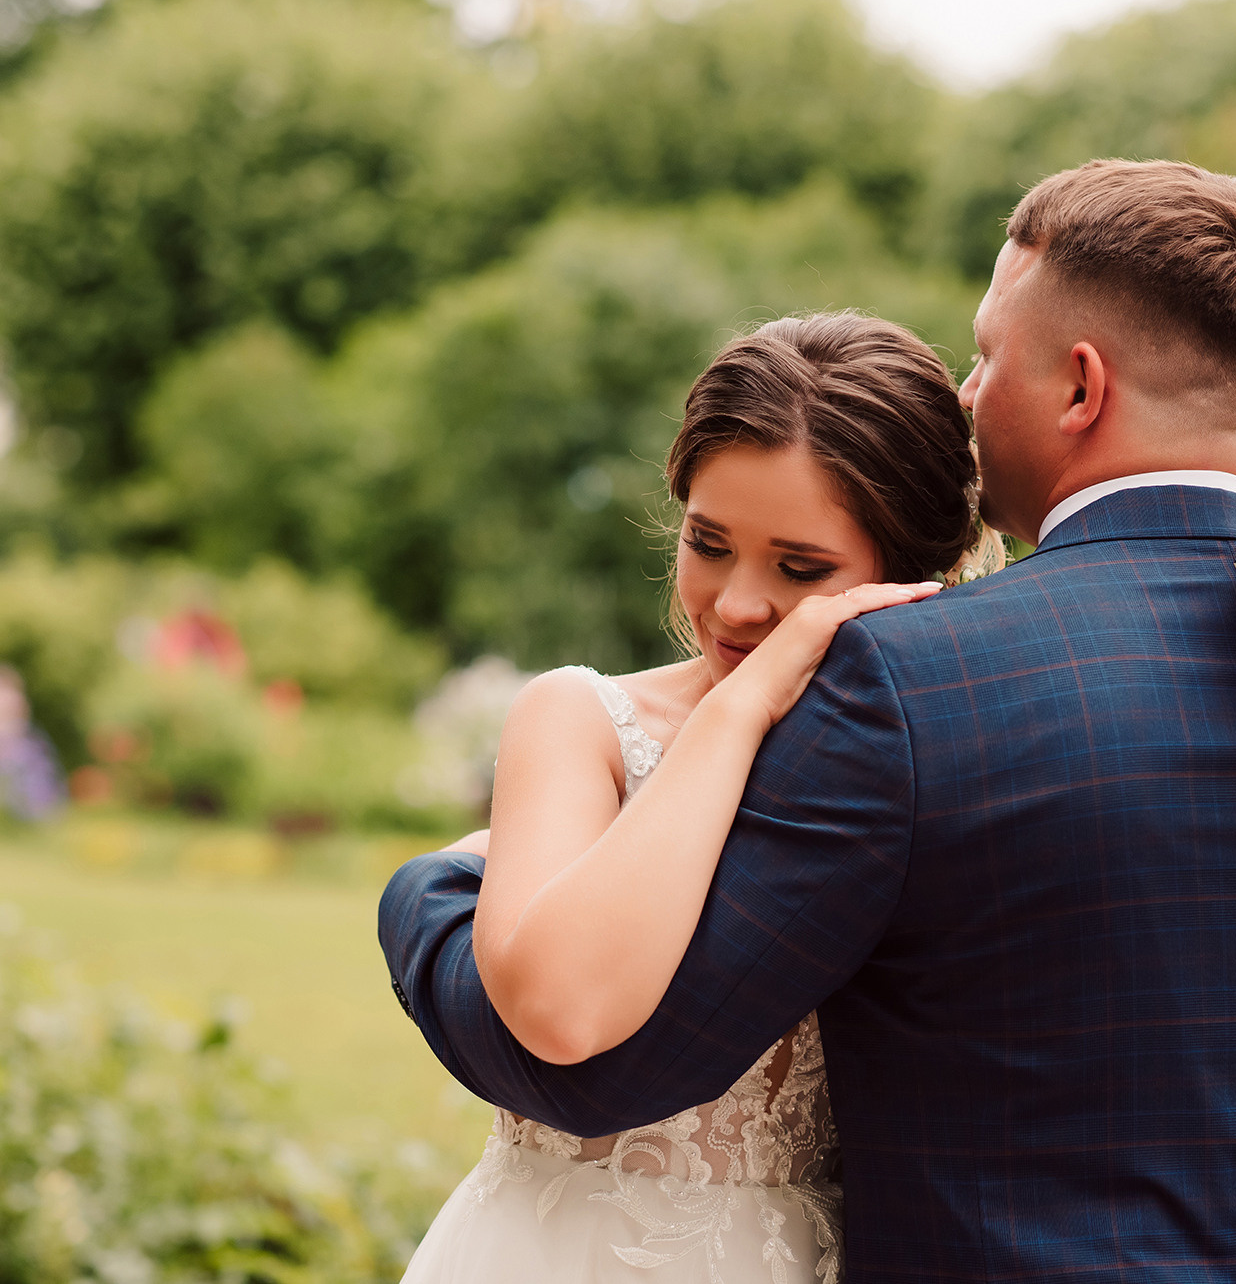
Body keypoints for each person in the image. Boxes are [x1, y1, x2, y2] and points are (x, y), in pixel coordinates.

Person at [383, 159, 1236, 1283]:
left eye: (983, 356)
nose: (965, 397)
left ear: (1078, 386)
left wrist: (429, 899)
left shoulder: (919, 680)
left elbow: (608, 1074)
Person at [396, 310, 1000, 1283]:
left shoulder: (934, 761)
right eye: (708, 542)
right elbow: (558, 1008)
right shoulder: (575, 719)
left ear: (906, 574)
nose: (734, 602)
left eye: (799, 568)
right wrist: (742, 705)